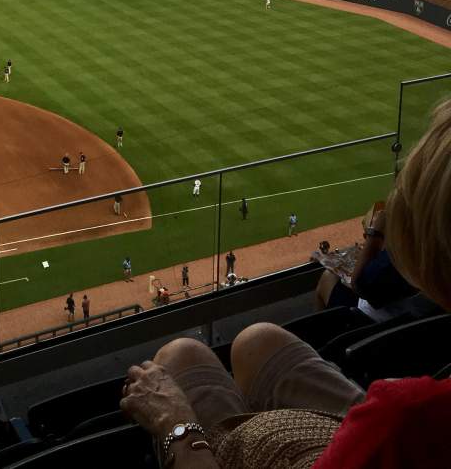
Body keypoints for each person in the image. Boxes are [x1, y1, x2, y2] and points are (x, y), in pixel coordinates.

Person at [120, 99, 451, 469]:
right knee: (258, 341)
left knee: (182, 354)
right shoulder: (414, 409)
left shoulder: (405, 420)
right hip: (366, 428)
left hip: (343, 443)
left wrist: (177, 425)